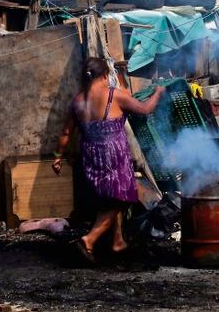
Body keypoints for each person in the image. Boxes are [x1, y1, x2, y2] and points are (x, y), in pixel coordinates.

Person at [53, 58, 165, 263]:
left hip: (90, 154)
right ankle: (89, 240)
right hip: (113, 155)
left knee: (110, 197)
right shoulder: (115, 96)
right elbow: (145, 109)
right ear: (105, 75)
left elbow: (67, 132)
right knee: (123, 198)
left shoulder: (78, 100)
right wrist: (158, 93)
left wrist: (58, 157)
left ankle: (117, 241)